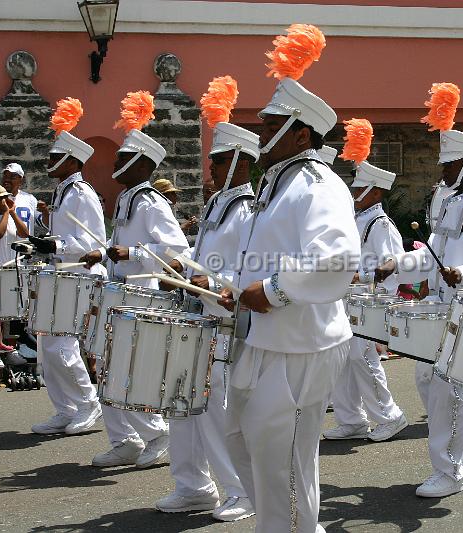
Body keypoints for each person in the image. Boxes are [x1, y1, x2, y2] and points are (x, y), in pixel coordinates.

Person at [218, 24, 360, 532]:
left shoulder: (319, 184)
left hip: (301, 343)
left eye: (270, 122)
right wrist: (235, 285)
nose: (258, 130)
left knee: (286, 460)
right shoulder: (279, 184)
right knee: (240, 437)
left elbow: (340, 257)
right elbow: (266, 254)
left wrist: (275, 291)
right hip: (267, 340)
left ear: (301, 133)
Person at [375, 82, 463, 498]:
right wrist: (399, 263)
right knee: (426, 380)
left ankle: (450, 472)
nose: (443, 171)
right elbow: (433, 257)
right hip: (440, 308)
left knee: (446, 389)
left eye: (450, 165)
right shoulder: (451, 204)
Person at [158, 75, 256, 521]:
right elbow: (205, 258)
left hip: (227, 326)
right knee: (183, 404)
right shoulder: (219, 205)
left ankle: (240, 491)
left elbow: (251, 271)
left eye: (217, 160)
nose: (210, 167)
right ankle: (193, 485)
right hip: (200, 319)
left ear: (238, 161)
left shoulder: (249, 210)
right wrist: (181, 271)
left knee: (218, 412)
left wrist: (220, 287)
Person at [81, 90, 189, 470]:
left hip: (142, 293)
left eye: (125, 158)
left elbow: (176, 248)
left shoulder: (151, 200)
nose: (116, 162)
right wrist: (105, 250)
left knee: (130, 368)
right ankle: (124, 439)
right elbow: (121, 242)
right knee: (106, 366)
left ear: (142, 165)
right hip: (118, 292)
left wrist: (134, 254)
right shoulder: (128, 198)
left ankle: (157, 433)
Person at [323, 118, 408, 442]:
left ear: (375, 192)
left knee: (362, 358)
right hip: (348, 299)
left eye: (360, 188)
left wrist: (363, 274)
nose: (355, 193)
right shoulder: (361, 219)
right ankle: (352, 419)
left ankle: (390, 415)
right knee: (344, 358)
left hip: (366, 302)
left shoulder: (381, 224)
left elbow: (391, 264)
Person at [27, 97, 105, 436]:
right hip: (61, 275)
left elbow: (93, 243)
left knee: (62, 345)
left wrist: (54, 244)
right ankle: (65, 408)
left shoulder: (82, 193)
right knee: (47, 346)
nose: (49, 161)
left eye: (56, 157)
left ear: (72, 161)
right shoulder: (64, 191)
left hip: (79, 276)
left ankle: (89, 405)